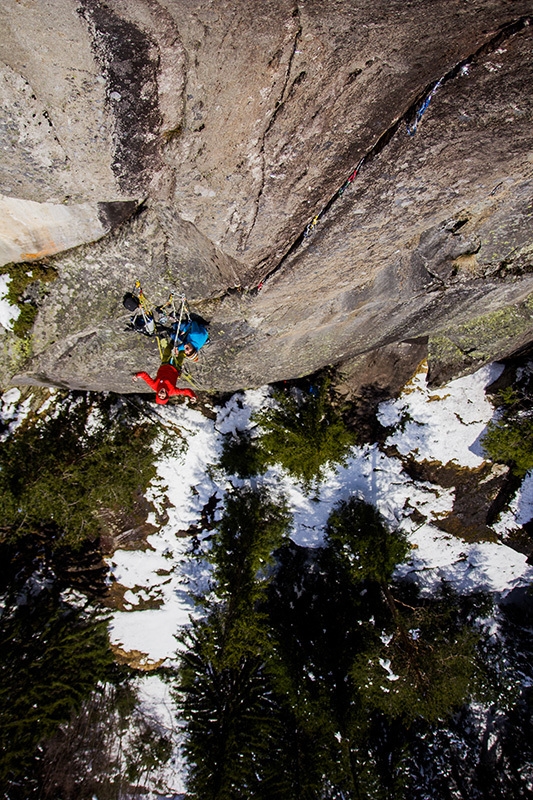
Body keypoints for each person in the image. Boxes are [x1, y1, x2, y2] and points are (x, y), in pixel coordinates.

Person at [132, 355, 197, 405]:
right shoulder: (172, 391)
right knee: (181, 353)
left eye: (159, 395)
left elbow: (144, 375)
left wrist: (137, 375)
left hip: (164, 364)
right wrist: (192, 396)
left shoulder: (155, 386)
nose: (161, 394)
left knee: (169, 348)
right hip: (176, 368)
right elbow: (186, 391)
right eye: (162, 397)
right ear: (166, 396)